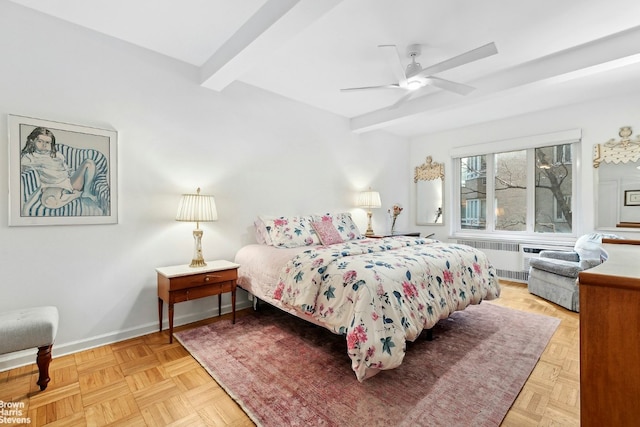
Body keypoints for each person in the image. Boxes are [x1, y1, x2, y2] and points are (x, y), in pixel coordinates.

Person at [20, 127, 97, 214]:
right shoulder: (29, 157)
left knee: (89, 163)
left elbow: (67, 169)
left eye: (47, 142)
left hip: (69, 182)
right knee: (50, 202)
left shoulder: (57, 155)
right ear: (32, 141)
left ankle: (86, 192)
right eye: (40, 141)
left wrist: (75, 175)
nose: (44, 145)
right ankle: (76, 195)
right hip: (52, 186)